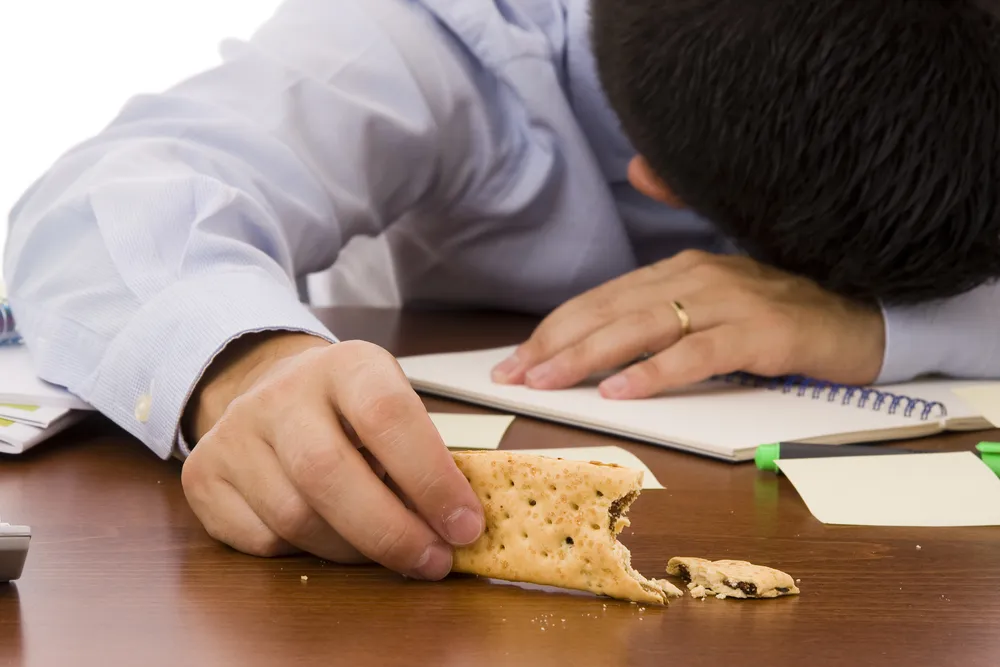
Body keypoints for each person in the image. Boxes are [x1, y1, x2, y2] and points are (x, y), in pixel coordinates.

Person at [4, 0, 1000, 580]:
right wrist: (244, 362)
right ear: (651, 175)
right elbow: (107, 199)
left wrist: (880, 323)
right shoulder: (440, 37)